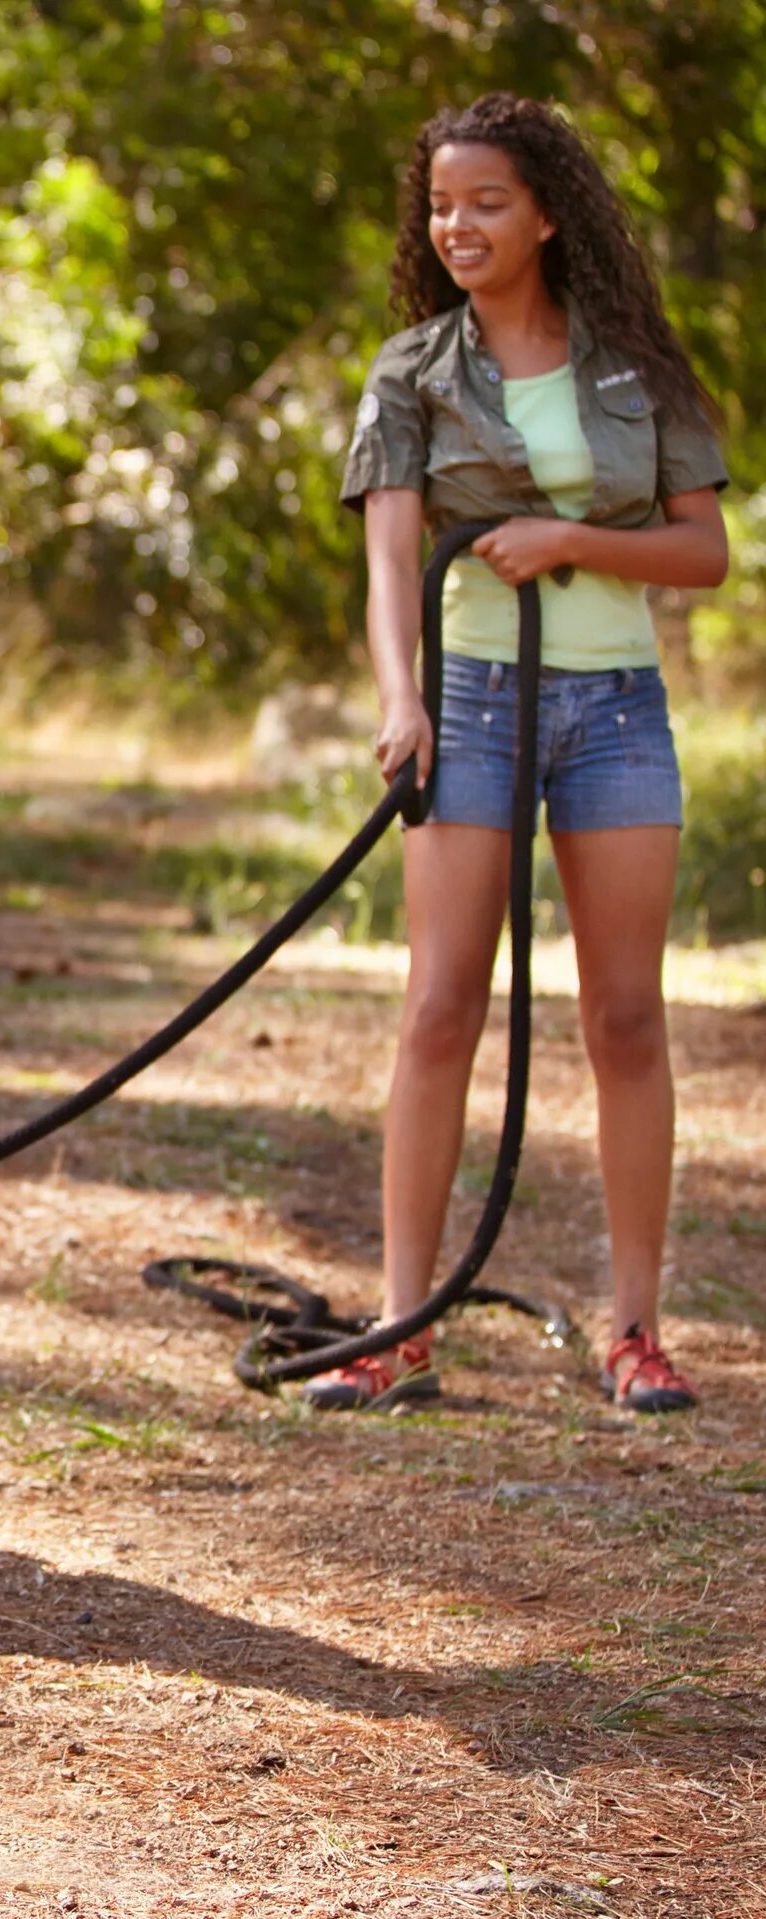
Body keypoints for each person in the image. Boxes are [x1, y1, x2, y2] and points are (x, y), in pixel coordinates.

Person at [331, 95, 730, 1415]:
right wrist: (405, 699)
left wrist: (568, 541)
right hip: (473, 701)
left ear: (548, 213)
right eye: (443, 205)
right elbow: (393, 558)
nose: (459, 226)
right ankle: (404, 1322)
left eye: (488, 202)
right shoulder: (411, 371)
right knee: (442, 1004)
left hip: (614, 704)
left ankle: (635, 1329)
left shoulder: (638, 370)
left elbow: (703, 553)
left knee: (624, 1015)